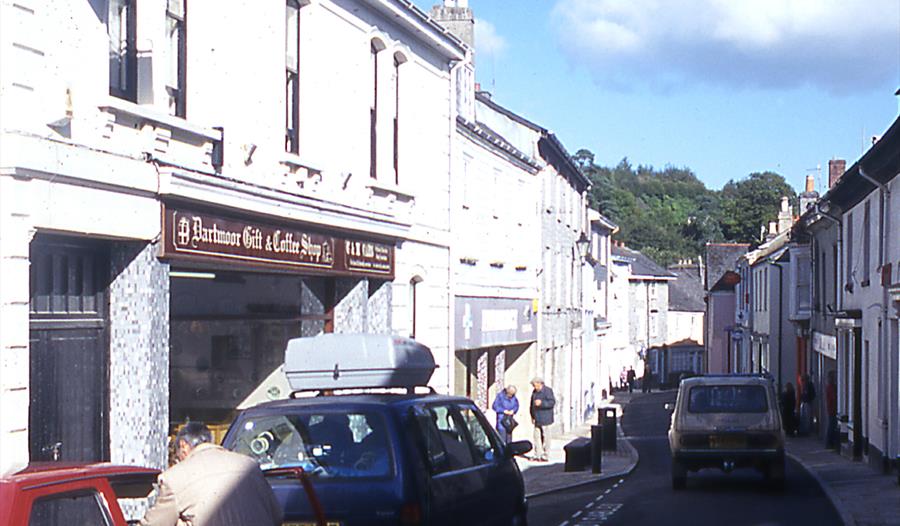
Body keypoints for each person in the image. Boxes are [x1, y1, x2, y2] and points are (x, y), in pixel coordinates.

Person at [141, 422, 283, 526]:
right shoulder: (250, 466)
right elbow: (277, 515)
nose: (177, 460)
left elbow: (155, 523)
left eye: (177, 455)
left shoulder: (174, 478)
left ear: (183, 445)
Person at [530, 377, 555, 462]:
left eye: (535, 385)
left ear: (540, 384)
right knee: (536, 436)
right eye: (534, 386)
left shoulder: (547, 391)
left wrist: (541, 403)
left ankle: (546, 454)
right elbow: (531, 405)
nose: (534, 387)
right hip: (537, 418)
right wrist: (532, 416)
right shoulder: (534, 392)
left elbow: (552, 403)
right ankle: (537, 454)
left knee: (546, 436)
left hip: (546, 418)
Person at [825, 370, 838, 449]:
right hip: (832, 409)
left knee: (831, 425)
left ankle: (830, 443)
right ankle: (830, 443)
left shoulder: (830, 386)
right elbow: (833, 397)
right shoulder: (830, 387)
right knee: (831, 426)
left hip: (832, 409)